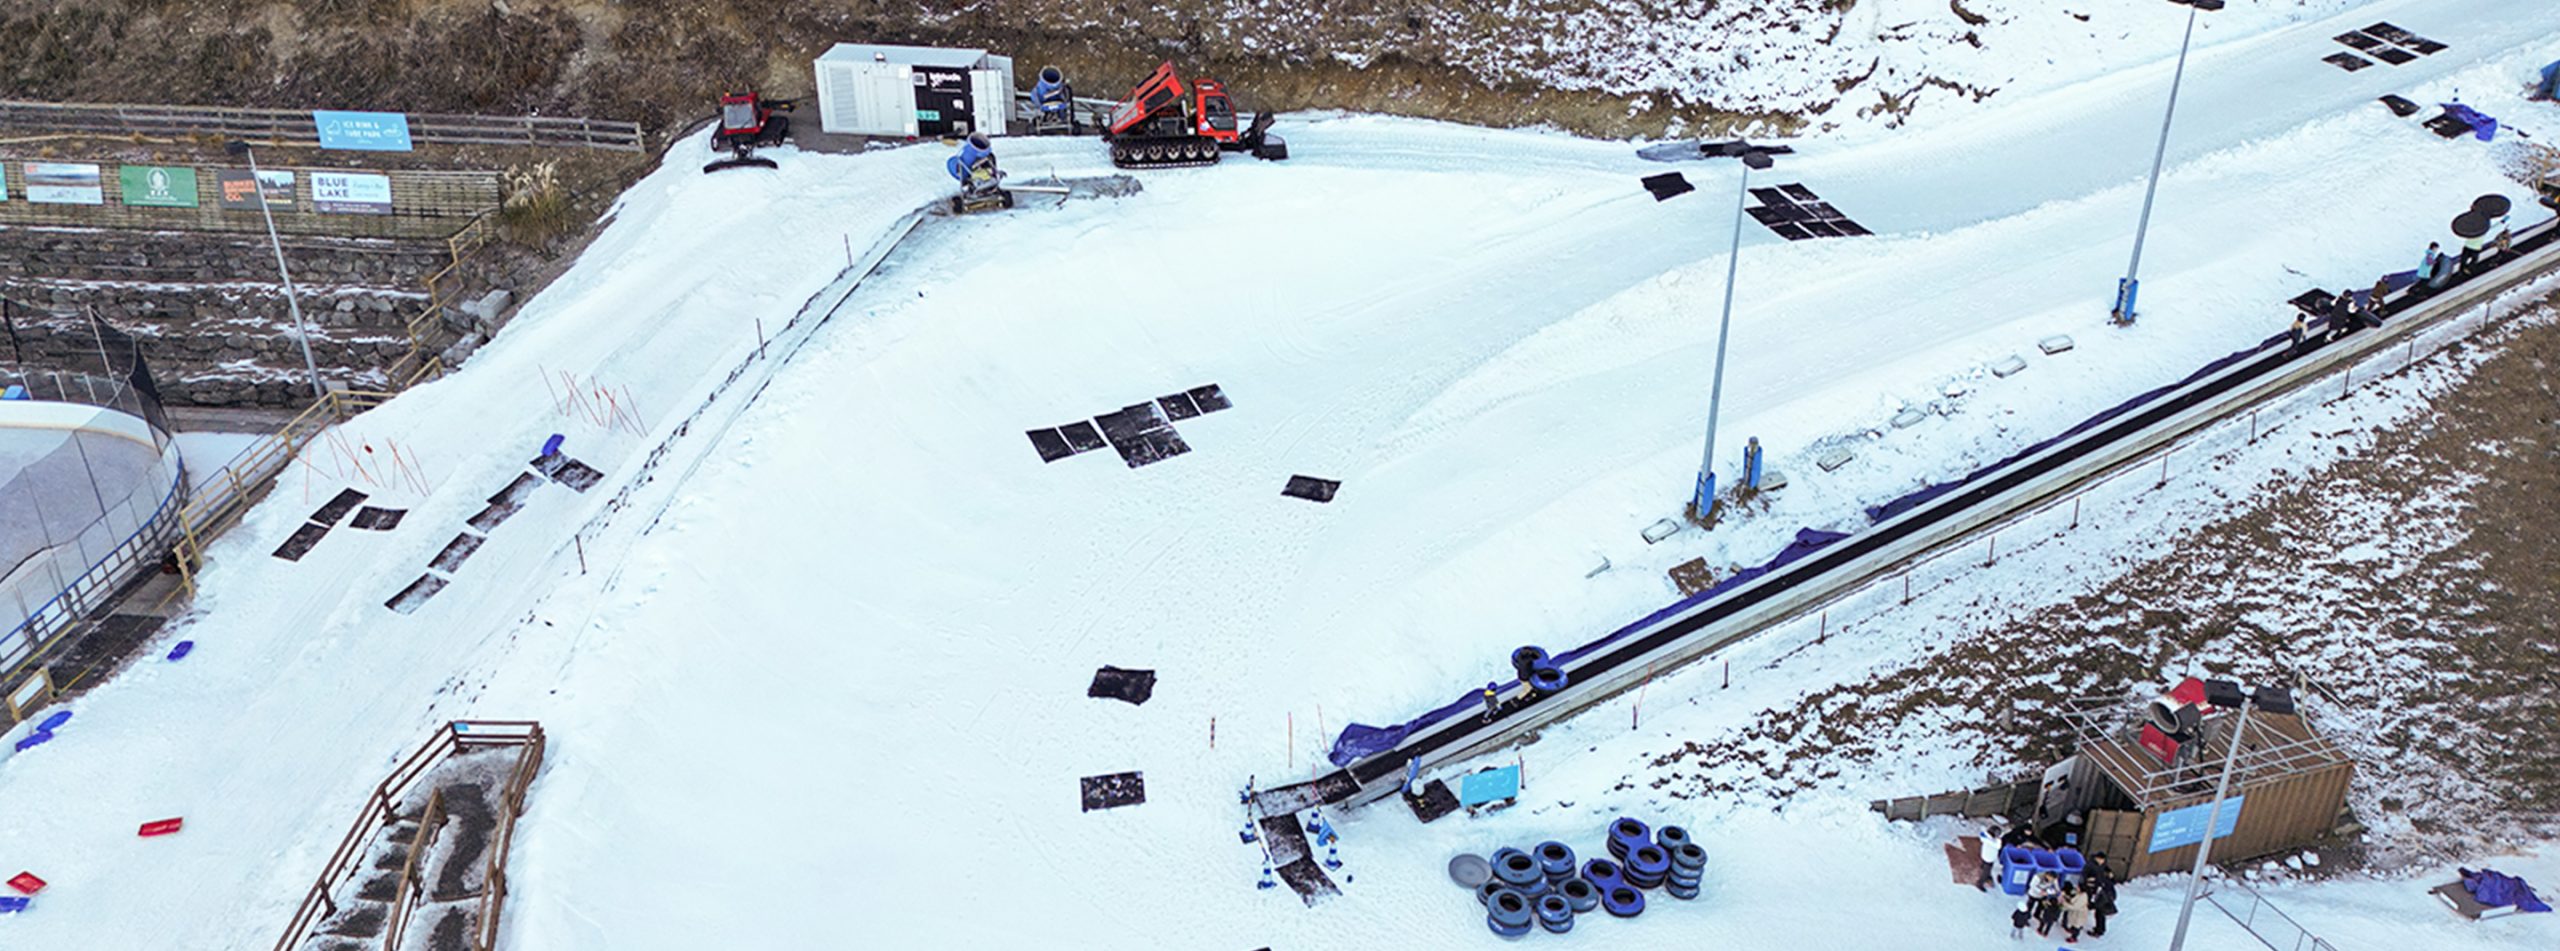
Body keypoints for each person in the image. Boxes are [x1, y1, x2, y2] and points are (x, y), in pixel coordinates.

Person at [2086, 852, 2120, 937]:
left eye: (2102, 860)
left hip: (2105, 894)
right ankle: (2100, 929)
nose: (2100, 861)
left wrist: (2110, 878)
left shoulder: (2105, 868)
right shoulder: (2092, 867)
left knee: (2100, 913)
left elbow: (2112, 881)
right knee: (2099, 913)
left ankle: (2099, 930)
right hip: (2102, 893)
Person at [2030, 871, 2062, 937]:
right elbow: (2032, 885)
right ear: (2048, 875)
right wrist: (2040, 891)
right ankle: (2027, 918)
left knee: (2040, 906)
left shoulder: (2054, 879)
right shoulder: (2038, 877)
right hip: (2034, 894)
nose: (2052, 880)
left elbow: (2056, 886)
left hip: (2044, 895)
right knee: (2030, 905)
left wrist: (2059, 893)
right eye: (2051, 879)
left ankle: (2037, 914)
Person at [1977, 820, 2006, 891]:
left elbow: (1982, 834)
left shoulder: (1985, 836)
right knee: (1986, 870)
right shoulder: (1993, 842)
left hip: (1985, 854)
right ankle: (1980, 883)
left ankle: (1982, 868)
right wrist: (1998, 839)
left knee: (1984, 863)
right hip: (1990, 857)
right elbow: (1998, 846)